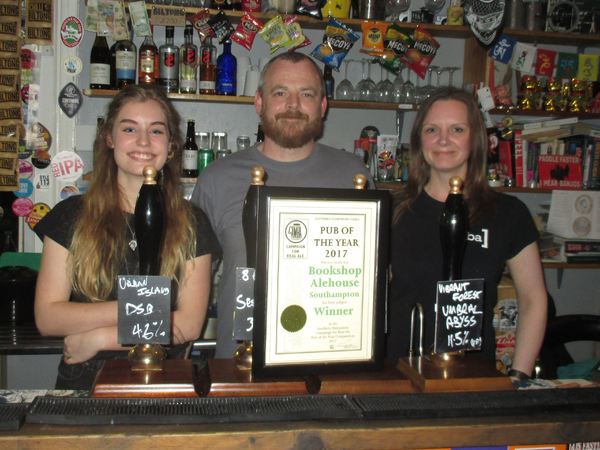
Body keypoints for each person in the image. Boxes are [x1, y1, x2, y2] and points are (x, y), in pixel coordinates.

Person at [34, 85, 221, 390]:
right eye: (130, 128)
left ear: (172, 145)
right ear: (109, 137)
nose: (144, 141)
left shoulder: (192, 222)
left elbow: (187, 326)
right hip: (86, 380)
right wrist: (148, 311)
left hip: (164, 379)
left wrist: (99, 337)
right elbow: (48, 317)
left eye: (157, 131)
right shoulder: (70, 215)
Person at [191, 52, 373, 358]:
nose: (293, 105)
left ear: (323, 106)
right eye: (280, 93)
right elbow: (189, 284)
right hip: (241, 367)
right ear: (259, 102)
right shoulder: (217, 179)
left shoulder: (355, 176)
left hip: (332, 361)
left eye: (306, 94)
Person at [387, 86, 547, 378]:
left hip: (471, 376)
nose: (443, 140)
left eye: (457, 129)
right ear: (418, 140)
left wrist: (520, 376)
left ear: (476, 139)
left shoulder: (508, 214)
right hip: (395, 374)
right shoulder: (391, 209)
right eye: (432, 129)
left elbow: (533, 299)